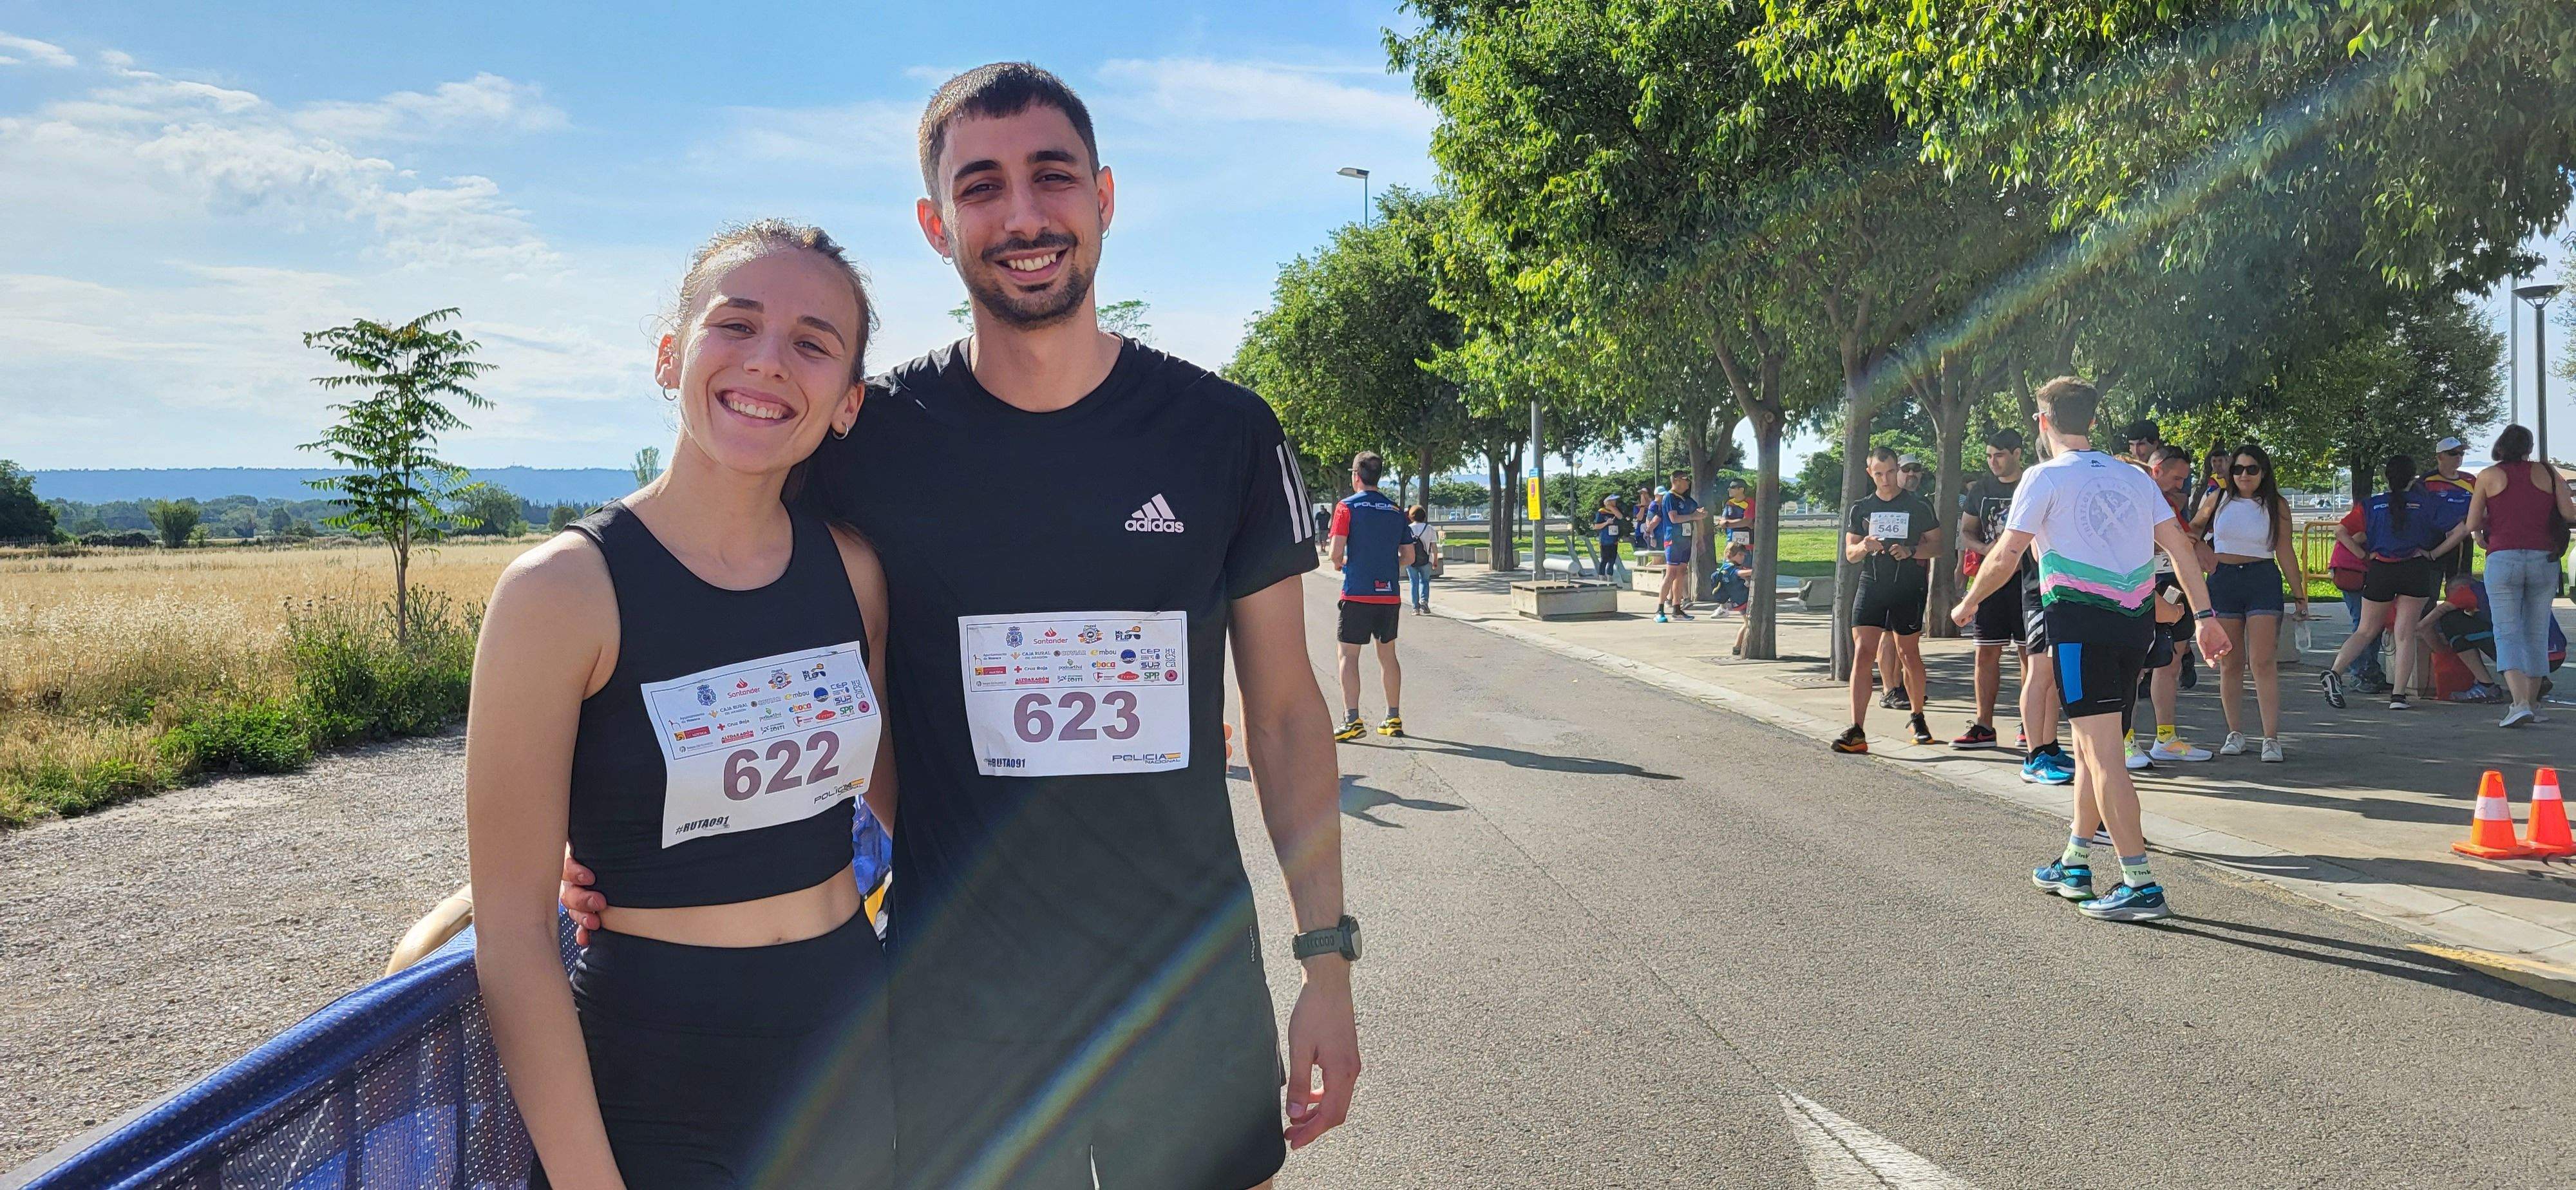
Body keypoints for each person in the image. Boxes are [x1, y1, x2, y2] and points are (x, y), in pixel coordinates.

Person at [568, 66, 1359, 1189]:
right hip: (957, 1004)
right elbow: (725, 605)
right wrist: (602, 828)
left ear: (1105, 198)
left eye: (1053, 177)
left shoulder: (1221, 432)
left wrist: (1326, 961)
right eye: (982, 187)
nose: (1024, 215)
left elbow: (1282, 714)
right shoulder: (867, 437)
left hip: (1183, 990)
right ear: (938, 224)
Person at [471, 221, 896, 1188]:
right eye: (734, 325)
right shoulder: (560, 593)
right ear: (671, 356)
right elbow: (510, 930)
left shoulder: (854, 573)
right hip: (653, 1070)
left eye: (812, 343)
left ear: (847, 403)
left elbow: (896, 796)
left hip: (849, 1037)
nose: (767, 362)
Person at [1951, 377, 2231, 923]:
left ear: (2042, 422)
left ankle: (2140, 882)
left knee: (2103, 757)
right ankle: (2076, 862)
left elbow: (2008, 554)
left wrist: (1968, 603)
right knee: (2088, 749)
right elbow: (2179, 548)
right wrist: (2206, 618)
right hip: (2135, 625)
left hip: (2081, 625)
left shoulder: (2043, 476)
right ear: (2093, 420)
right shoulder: (2133, 477)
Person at [2322, 455, 2470, 712]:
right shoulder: (2426, 504)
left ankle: (2334, 673)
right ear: (2413, 478)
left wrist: (2362, 555)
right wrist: (2434, 554)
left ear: (2386, 478)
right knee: (2404, 634)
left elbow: (2341, 531)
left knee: (2365, 630)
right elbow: (2461, 530)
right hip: (2415, 569)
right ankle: (2399, 696)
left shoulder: (2371, 505)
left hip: (2380, 569)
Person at [2190, 442, 2307, 762]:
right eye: (2238, 469)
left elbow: (2285, 550)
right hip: (2224, 579)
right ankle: (2235, 733)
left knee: (2263, 661)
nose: (2244, 475)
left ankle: (2271, 738)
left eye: (2251, 469)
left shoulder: (2277, 504)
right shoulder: (2217, 499)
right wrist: (2201, 551)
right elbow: (2191, 531)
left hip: (2262, 578)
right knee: (2230, 662)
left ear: (2263, 472)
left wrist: (2299, 595)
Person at [2463, 423, 2576, 727]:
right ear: (2528, 447)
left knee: (2507, 631)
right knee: (2536, 633)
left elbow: (2473, 520)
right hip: (2544, 559)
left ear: (2500, 446)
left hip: (2503, 558)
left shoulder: (2488, 476)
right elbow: (2569, 514)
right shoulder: (2549, 473)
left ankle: (2519, 703)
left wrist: (2491, 522)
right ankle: (2534, 703)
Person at [1834, 448, 1942, 753]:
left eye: (1891, 472)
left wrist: (1911, 551)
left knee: (1908, 654)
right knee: (1862, 653)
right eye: (1879, 473)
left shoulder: (1918, 505)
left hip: (1907, 587)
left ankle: (1918, 718)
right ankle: (1857, 729)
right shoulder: (1861, 508)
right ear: (1870, 473)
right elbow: (1850, 554)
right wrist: (1866, 546)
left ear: (1899, 470)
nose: (1886, 479)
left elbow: (1937, 546)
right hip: (1872, 586)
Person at [2132, 445, 2212, 768]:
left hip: (2172, 588)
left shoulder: (2169, 504)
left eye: (2185, 480)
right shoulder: (2134, 495)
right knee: (2135, 666)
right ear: (2157, 469)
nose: (2181, 485)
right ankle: (2124, 739)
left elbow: (2183, 538)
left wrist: (2194, 542)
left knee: (2172, 659)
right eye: (2177, 478)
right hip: (2140, 588)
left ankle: (2166, 738)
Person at [1956, 428, 2036, 753]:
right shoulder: (1981, 490)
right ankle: (1983, 724)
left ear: (2017, 454)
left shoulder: (2033, 482)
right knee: (1986, 651)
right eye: (1989, 456)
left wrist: (2019, 554)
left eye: (1999, 455)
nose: (1993, 462)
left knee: (2029, 654)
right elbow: (1966, 531)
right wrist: (1988, 551)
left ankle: (2029, 724)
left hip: (2028, 581)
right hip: (1991, 582)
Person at [1332, 451, 1413, 741]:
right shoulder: (1395, 510)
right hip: (1388, 595)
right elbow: (1409, 555)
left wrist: (1343, 562)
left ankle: (1352, 720)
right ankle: (1393, 717)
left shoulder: (1346, 508)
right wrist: (1386, 563)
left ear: (1356, 476)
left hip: (1357, 594)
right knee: (1388, 656)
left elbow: (1335, 554)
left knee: (1348, 656)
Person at [2416, 575, 2507, 701]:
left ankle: (2487, 686)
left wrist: (2416, 628)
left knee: (2451, 620)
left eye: (2449, 595)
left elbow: (2432, 618)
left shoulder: (2467, 592)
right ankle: (2534, 681)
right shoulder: (2487, 591)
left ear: (2459, 588)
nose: (2449, 599)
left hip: (2506, 643)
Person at [1645, 468, 1705, 623]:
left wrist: (1700, 538)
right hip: (1673, 540)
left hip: (1686, 540)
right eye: (1686, 479)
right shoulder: (1669, 497)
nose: (1688, 482)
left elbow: (1698, 517)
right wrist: (1693, 516)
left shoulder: (1688, 501)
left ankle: (1677, 608)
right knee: (1671, 573)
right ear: (1677, 480)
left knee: (1681, 573)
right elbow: (1674, 518)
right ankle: (1659, 609)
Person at [2421, 435, 2477, 583]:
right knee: (2430, 589)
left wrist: (2478, 533)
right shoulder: (2426, 481)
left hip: (2462, 541)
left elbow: (2480, 507)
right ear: (2440, 457)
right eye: (2453, 453)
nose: (2458, 457)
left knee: (2459, 588)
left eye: (2461, 453)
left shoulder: (2470, 480)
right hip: (2433, 539)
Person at [1406, 504, 1439, 612]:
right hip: (1426, 560)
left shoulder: (1408, 529)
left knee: (1413, 583)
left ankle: (1415, 608)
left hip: (1411, 560)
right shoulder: (1429, 528)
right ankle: (1424, 601)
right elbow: (1434, 547)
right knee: (1425, 581)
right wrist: (1435, 560)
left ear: (1412, 516)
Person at [1593, 493, 1631, 583]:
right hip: (1605, 540)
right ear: (1608, 502)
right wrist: (1607, 523)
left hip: (1614, 541)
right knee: (1604, 559)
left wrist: (1612, 508)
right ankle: (1602, 576)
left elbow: (1621, 517)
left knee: (1612, 560)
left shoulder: (1615, 511)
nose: (1615, 502)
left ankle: (1610, 577)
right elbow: (1596, 526)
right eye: (1613, 500)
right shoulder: (1601, 512)